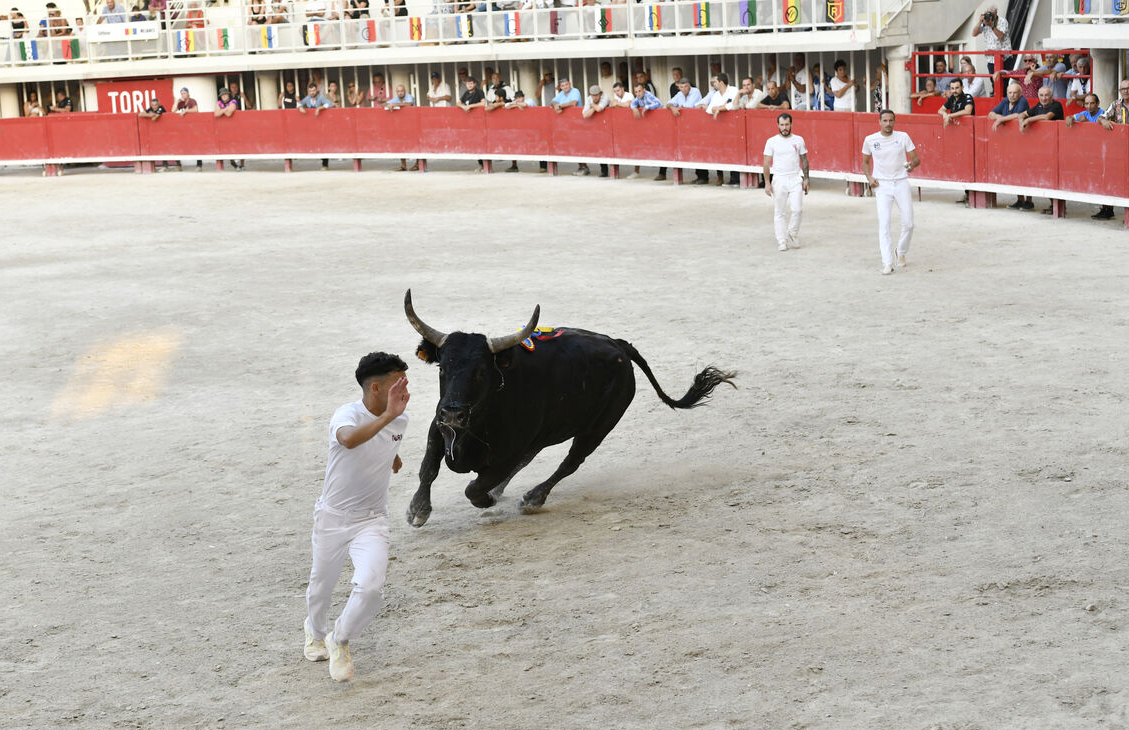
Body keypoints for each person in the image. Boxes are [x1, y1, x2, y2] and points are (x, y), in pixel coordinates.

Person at [304, 352, 410, 683]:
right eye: (397, 384)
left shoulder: (400, 420)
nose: (405, 390)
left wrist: (393, 458)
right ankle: (314, 631)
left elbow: (386, 446)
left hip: (372, 520)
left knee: (371, 588)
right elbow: (349, 440)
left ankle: (340, 638)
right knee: (321, 586)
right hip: (333, 518)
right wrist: (389, 417)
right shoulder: (346, 415)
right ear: (375, 388)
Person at [862, 110, 921, 275]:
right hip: (882, 184)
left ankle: (900, 250)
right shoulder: (870, 140)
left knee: (909, 223)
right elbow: (865, 162)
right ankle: (887, 262)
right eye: (885, 121)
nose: (888, 124)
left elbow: (916, 159)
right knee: (884, 224)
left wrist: (911, 165)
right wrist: (869, 177)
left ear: (894, 122)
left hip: (901, 182)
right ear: (879, 122)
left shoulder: (903, 137)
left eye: (891, 121)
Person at [763, 112, 809, 252]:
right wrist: (767, 183)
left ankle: (792, 232)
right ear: (778, 125)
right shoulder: (772, 141)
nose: (784, 128)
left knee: (797, 209)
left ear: (791, 124)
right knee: (780, 212)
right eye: (782, 125)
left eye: (787, 124)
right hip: (779, 178)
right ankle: (781, 240)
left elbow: (804, 159)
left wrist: (806, 178)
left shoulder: (798, 140)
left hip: (795, 177)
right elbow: (766, 163)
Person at [988, 83, 1033, 210]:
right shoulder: (1005, 101)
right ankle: (1020, 199)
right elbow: (991, 113)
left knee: (1025, 169)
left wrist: (1001, 120)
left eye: (1015, 93)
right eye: (1010, 93)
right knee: (1016, 169)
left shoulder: (1023, 101)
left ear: (1020, 94)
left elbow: (1018, 115)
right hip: (1011, 141)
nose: (1012, 95)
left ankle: (1029, 201)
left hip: (1024, 140)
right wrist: (999, 117)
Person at [660, 78, 704, 184]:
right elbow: (668, 103)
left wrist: (680, 107)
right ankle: (700, 176)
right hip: (685, 127)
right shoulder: (679, 94)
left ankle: (703, 176)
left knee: (698, 149)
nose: (684, 89)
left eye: (686, 86)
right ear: (679, 87)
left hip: (697, 125)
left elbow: (689, 106)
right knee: (692, 150)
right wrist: (673, 108)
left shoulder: (695, 91)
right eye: (681, 87)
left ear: (689, 86)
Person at [299, 82, 334, 170]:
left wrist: (319, 108)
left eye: (314, 90)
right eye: (310, 91)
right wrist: (300, 107)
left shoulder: (320, 97)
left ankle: (325, 164)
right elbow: (299, 104)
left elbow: (330, 104)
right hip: (311, 125)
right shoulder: (307, 98)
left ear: (316, 90)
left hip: (321, 124)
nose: (312, 92)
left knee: (323, 143)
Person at [576, 85, 609, 177]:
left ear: (600, 94)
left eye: (596, 95)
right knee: (600, 146)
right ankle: (604, 170)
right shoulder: (589, 99)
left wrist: (593, 106)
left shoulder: (605, 97)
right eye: (593, 95)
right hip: (598, 127)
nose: (594, 97)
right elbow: (585, 115)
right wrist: (594, 107)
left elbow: (599, 109)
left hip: (608, 124)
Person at [972, 4, 1010, 76]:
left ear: (996, 13)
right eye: (988, 14)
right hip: (991, 58)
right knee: (993, 79)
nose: (990, 16)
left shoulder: (1002, 21)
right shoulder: (985, 22)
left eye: (991, 14)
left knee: (1005, 79)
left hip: (1004, 58)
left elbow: (1001, 36)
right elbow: (974, 34)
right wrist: (980, 22)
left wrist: (991, 25)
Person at [171, 88, 202, 171]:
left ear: (188, 93)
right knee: (178, 144)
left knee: (196, 145)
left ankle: (199, 165)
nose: (183, 95)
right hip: (183, 127)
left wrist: (186, 111)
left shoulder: (192, 101)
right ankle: (178, 165)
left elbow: (196, 110)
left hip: (193, 126)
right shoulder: (181, 103)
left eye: (184, 93)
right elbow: (173, 111)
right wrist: (176, 102)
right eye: (182, 93)